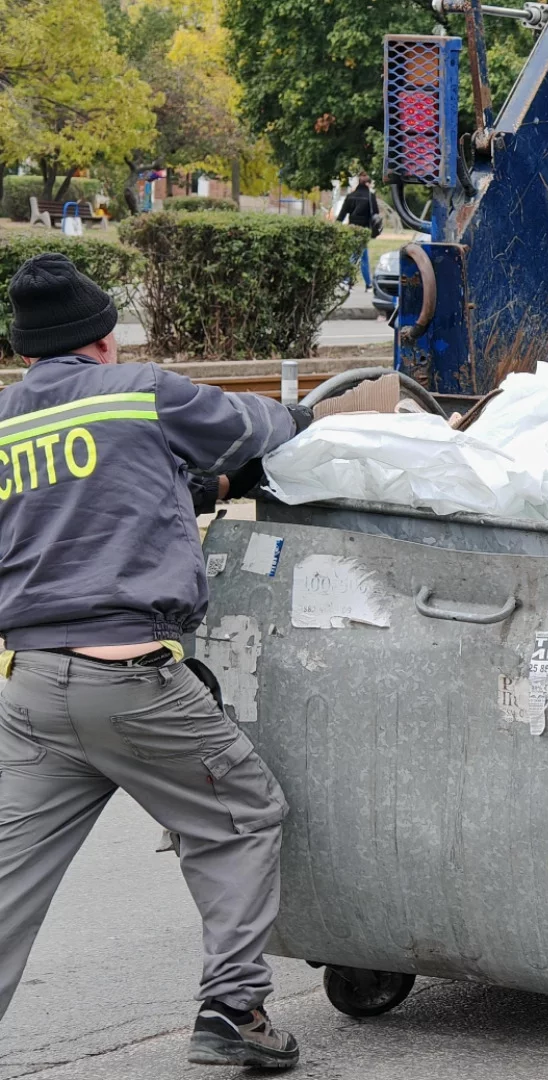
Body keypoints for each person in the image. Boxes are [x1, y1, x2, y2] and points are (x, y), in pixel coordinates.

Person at [0, 254, 311, 1068]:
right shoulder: (140, 390)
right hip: (131, 682)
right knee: (242, 815)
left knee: (8, 882)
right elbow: (257, 430)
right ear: (102, 336)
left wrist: (178, 491)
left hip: (31, 686)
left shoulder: (3, 422)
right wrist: (304, 424)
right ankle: (234, 1010)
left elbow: (72, 506)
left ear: (26, 352)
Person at [335, 172, 378, 287]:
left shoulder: (351, 196)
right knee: (361, 256)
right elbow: (376, 214)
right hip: (365, 230)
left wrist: (336, 227)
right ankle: (364, 283)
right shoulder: (370, 196)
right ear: (368, 184)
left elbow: (342, 214)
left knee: (355, 254)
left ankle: (349, 280)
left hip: (352, 228)